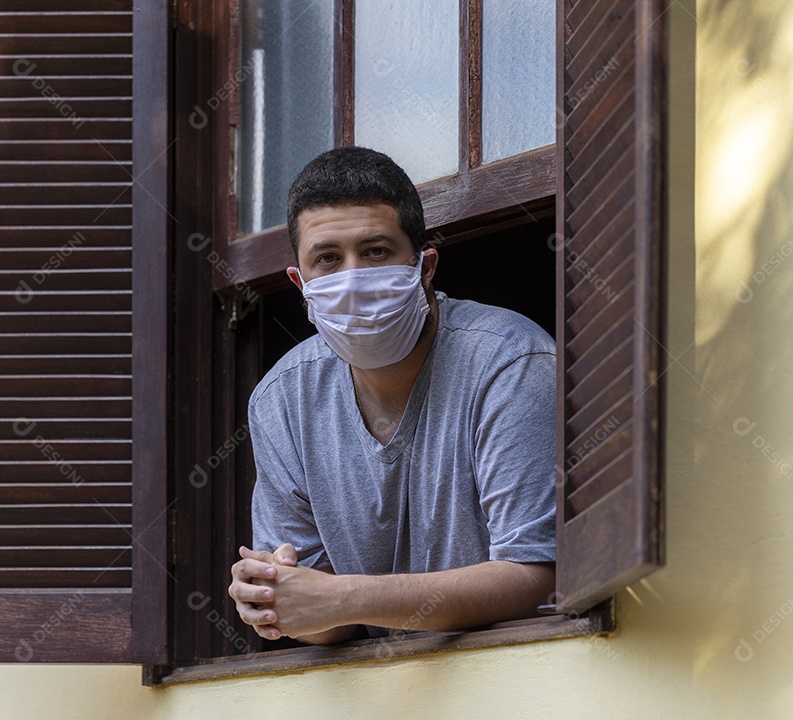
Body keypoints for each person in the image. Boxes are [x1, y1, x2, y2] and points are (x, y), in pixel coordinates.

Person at [228, 147, 557, 645]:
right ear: (299, 282)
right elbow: (327, 625)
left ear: (424, 268)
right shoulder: (282, 400)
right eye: (327, 259)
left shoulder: (510, 363)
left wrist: (341, 597)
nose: (353, 277)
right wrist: (275, 599)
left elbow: (531, 575)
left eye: (376, 251)